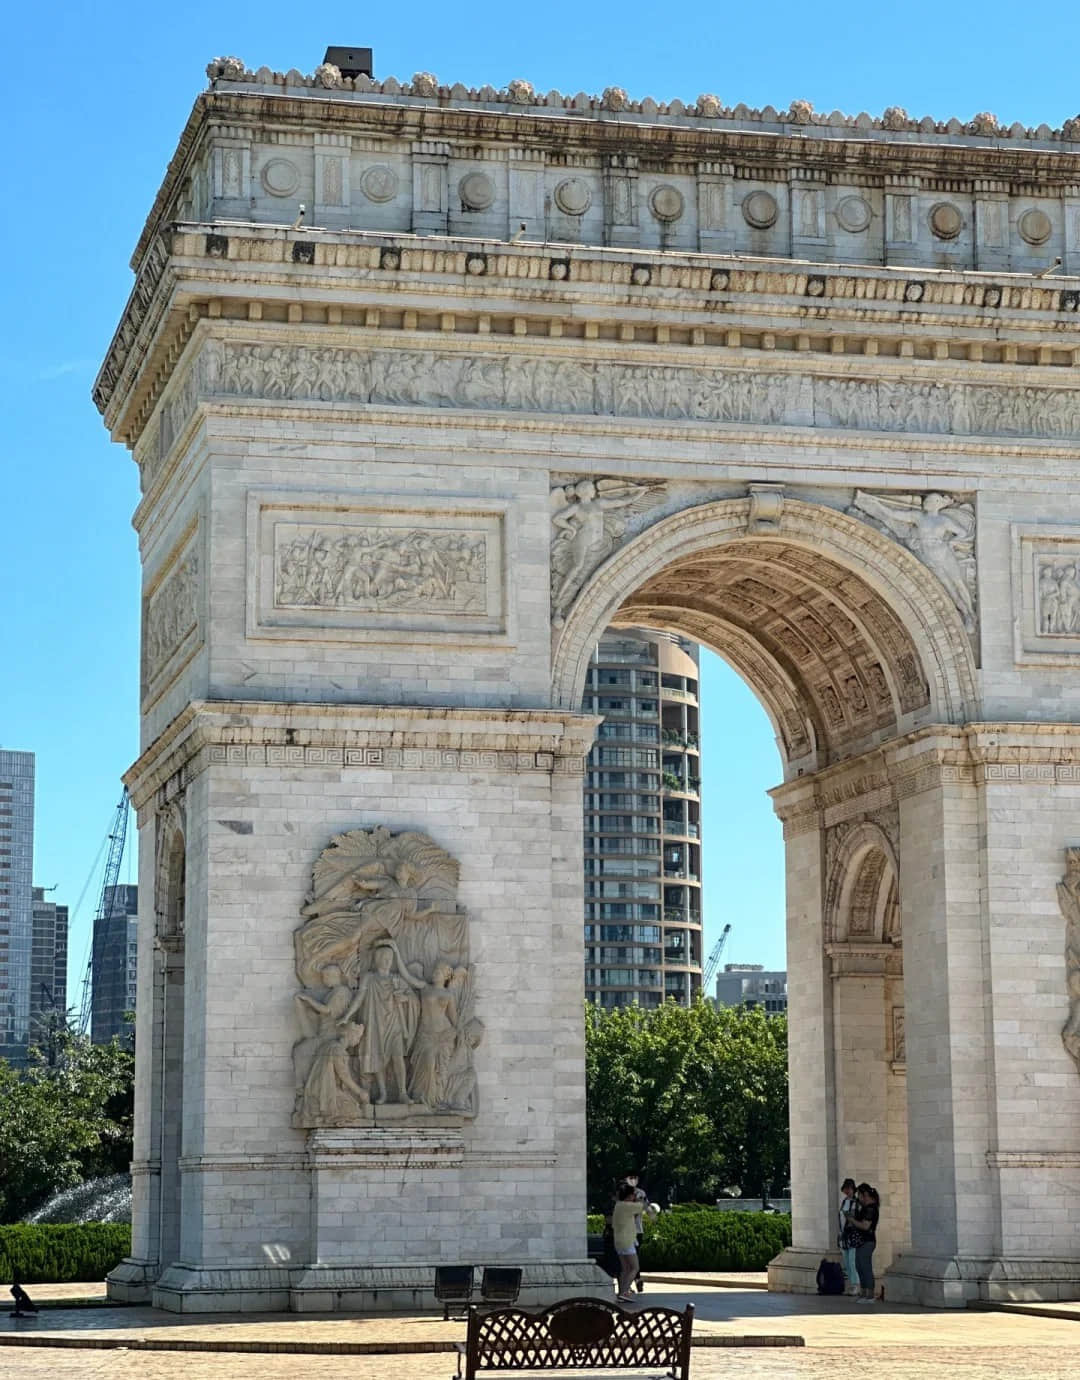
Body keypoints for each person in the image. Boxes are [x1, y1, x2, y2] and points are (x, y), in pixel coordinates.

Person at [844, 1183, 880, 1302]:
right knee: (859, 1266)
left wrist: (852, 1220)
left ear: (865, 1195)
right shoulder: (864, 1208)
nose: (858, 1197)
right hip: (861, 1241)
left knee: (865, 1266)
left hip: (867, 1241)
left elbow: (865, 1226)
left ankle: (870, 1294)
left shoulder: (871, 1209)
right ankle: (864, 1292)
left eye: (859, 1195)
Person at [611, 1182, 643, 1303]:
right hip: (627, 1240)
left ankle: (621, 1293)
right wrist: (640, 1198)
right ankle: (624, 1292)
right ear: (629, 1196)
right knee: (635, 1268)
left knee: (625, 1269)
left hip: (618, 1241)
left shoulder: (618, 1205)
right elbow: (643, 1206)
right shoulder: (627, 1206)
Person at [837, 1177, 860, 1298]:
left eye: (849, 1189)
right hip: (844, 1236)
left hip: (853, 1235)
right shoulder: (844, 1202)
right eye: (846, 1189)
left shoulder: (856, 1203)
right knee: (846, 1262)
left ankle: (856, 1284)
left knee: (852, 1261)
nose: (847, 1191)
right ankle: (851, 1284)